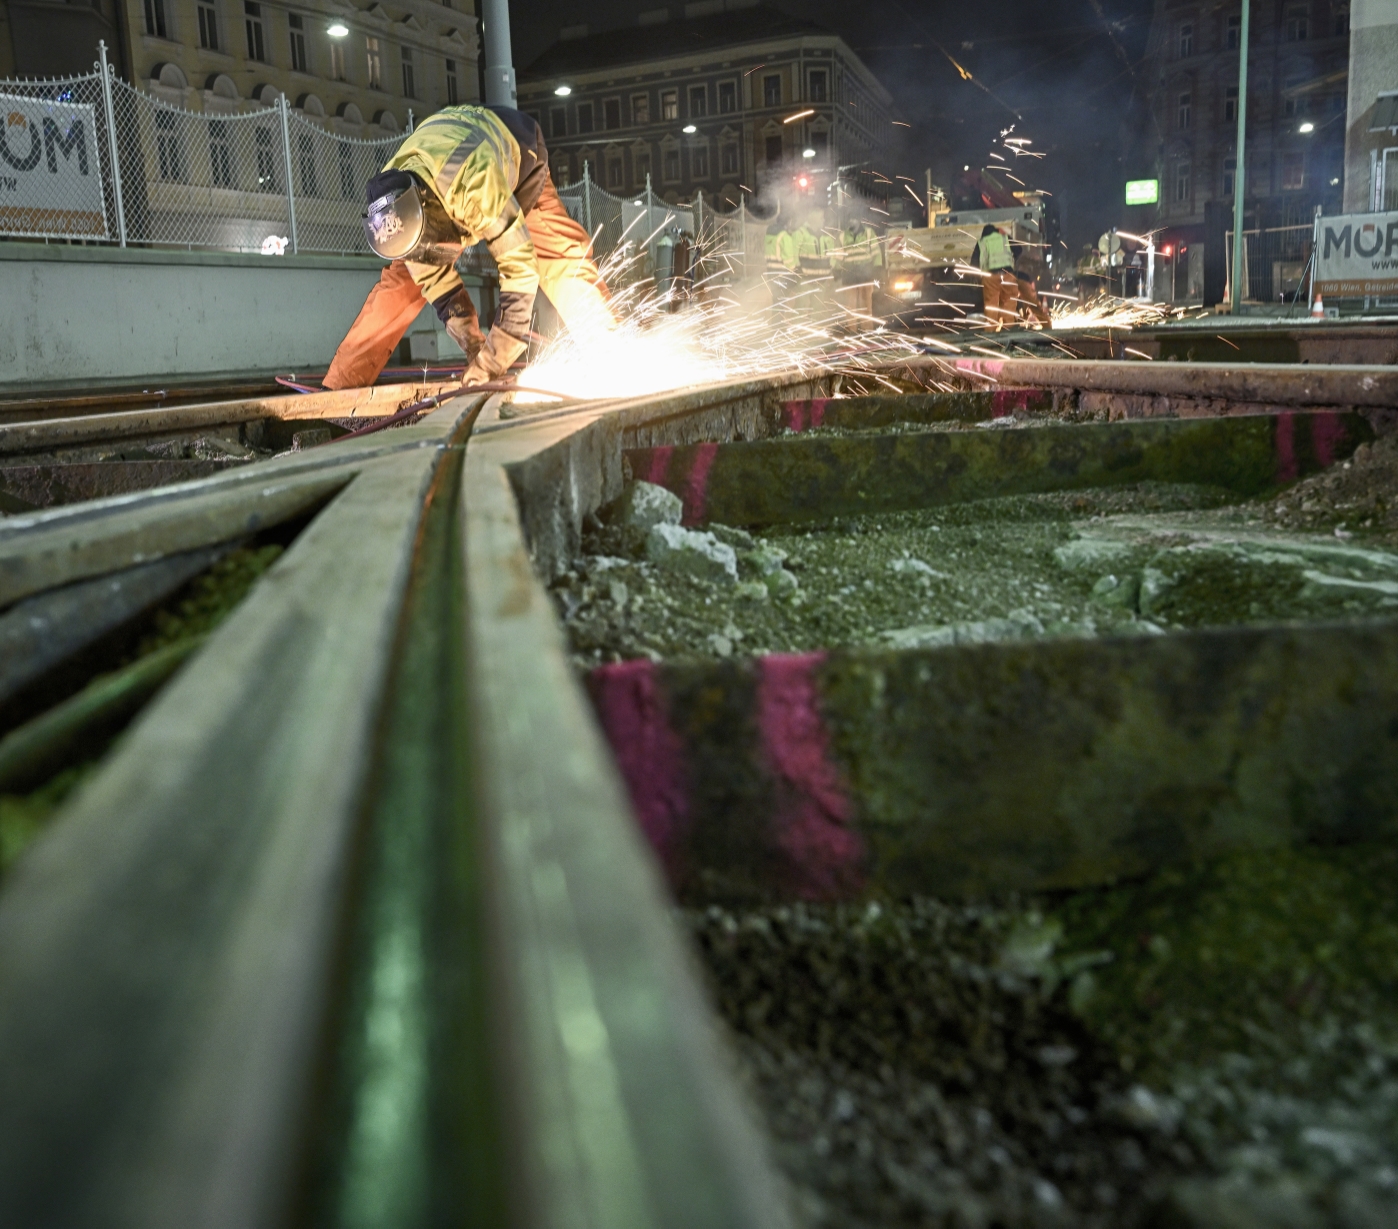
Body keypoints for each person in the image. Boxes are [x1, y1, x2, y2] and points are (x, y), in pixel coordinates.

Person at [323, 104, 610, 390]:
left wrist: (493, 360)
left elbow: (520, 269)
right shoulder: (391, 198)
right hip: (445, 160)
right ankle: (338, 388)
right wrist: (475, 349)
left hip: (515, 156)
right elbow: (438, 285)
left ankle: (613, 353)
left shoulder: (474, 183)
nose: (421, 255)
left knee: (561, 259)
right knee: (401, 282)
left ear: (428, 208)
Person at [834, 213, 883, 328]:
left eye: (854, 218)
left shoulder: (869, 233)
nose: (851, 221)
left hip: (865, 275)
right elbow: (838, 256)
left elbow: (876, 253)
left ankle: (867, 330)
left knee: (866, 305)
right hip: (849, 275)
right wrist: (836, 270)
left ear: (859, 220)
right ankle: (853, 331)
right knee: (851, 306)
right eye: (850, 218)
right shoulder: (842, 236)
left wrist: (877, 268)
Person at [976, 223, 1018, 331]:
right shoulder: (1005, 238)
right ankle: (1008, 328)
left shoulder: (982, 242)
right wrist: (1013, 261)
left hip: (990, 276)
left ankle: (990, 331)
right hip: (1008, 274)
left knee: (991, 303)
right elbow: (1019, 249)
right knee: (1009, 300)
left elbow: (975, 260)